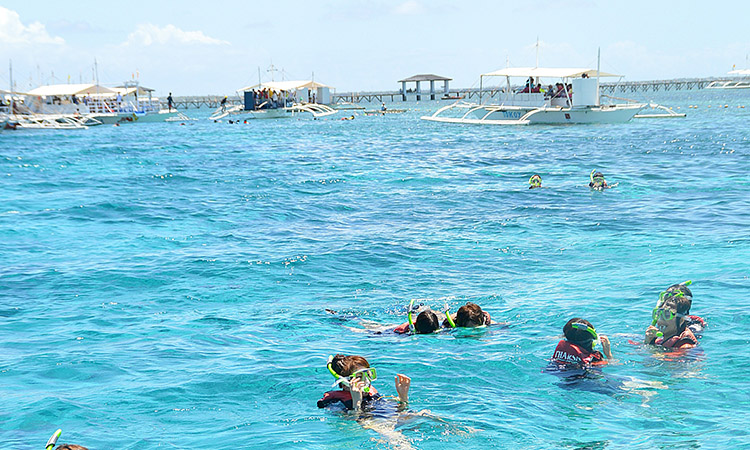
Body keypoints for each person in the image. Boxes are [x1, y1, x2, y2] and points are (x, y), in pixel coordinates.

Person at [318, 354, 410, 412]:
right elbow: (353, 425)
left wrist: (403, 397)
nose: (366, 380)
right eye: (359, 377)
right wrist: (357, 403)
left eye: (368, 375)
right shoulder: (338, 404)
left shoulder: (372, 395)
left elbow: (399, 411)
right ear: (344, 383)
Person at [644, 281, 705, 348]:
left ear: (682, 320)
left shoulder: (685, 346)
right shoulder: (659, 341)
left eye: (667, 315)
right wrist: (648, 342)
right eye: (658, 313)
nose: (661, 319)